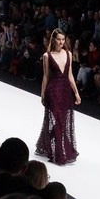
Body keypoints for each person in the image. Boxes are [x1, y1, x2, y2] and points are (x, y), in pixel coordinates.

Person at [35, 28, 82, 165]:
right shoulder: (47, 56)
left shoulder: (68, 54)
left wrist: (76, 93)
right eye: (58, 39)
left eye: (63, 39)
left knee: (62, 121)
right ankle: (60, 155)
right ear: (53, 40)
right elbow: (45, 76)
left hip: (66, 91)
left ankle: (47, 142)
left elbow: (70, 75)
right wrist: (43, 94)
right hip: (53, 90)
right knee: (59, 121)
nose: (61, 42)